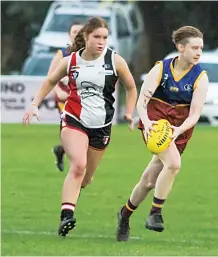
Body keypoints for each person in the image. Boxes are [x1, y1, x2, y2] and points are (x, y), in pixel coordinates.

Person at [22, 17, 138, 237]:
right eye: (97, 37)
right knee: (78, 166)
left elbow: (131, 87)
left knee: (85, 178)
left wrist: (130, 113)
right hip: (74, 119)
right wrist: (34, 104)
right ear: (86, 37)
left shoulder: (115, 61)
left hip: (102, 126)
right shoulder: (71, 60)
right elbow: (50, 81)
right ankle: (67, 215)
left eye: (105, 37)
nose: (101, 41)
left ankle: (71, 193)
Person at [115, 26, 209, 242]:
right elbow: (142, 101)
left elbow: (194, 115)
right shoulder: (161, 69)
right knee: (174, 164)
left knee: (148, 181)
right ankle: (155, 213)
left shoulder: (200, 77)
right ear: (180, 47)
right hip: (155, 126)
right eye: (194, 47)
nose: (198, 52)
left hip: (179, 130)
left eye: (201, 48)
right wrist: (147, 123)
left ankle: (124, 214)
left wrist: (179, 130)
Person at [50, 21, 84, 172]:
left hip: (84, 100)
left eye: (80, 31)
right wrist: (58, 90)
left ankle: (61, 150)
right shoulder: (62, 54)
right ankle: (76, 167)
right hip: (65, 99)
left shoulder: (89, 55)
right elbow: (51, 76)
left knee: (84, 132)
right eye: (74, 31)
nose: (77, 34)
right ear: (69, 35)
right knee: (73, 130)